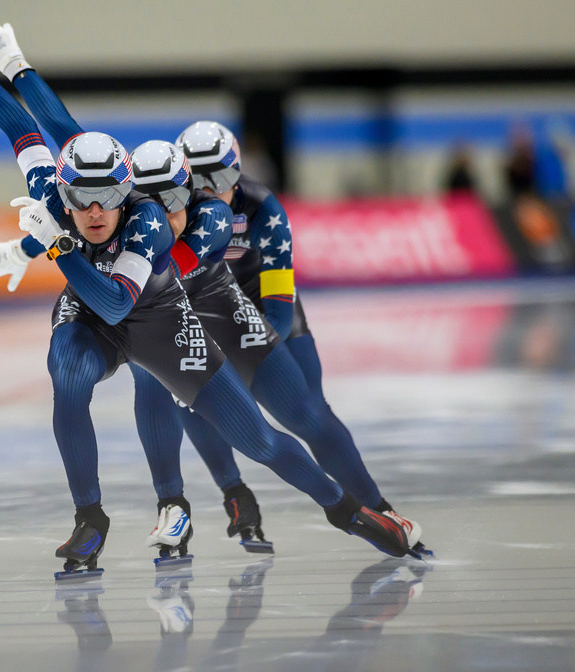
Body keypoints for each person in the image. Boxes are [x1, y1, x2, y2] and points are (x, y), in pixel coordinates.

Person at [0, 20, 415, 577]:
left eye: (110, 199)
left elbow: (122, 301)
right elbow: (33, 134)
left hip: (161, 306)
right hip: (104, 306)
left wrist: (52, 249)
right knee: (67, 370)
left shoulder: (173, 220)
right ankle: (102, 515)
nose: (96, 212)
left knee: (260, 437)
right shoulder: (65, 188)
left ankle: (348, 510)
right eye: (82, 199)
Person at [128, 131, 426, 554]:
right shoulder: (170, 206)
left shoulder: (260, 206)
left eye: (226, 173)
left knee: (309, 415)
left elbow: (280, 317)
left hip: (262, 302)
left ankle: (380, 508)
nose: (214, 188)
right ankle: (235, 493)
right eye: (203, 178)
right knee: (188, 396)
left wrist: (250, 360)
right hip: (202, 305)